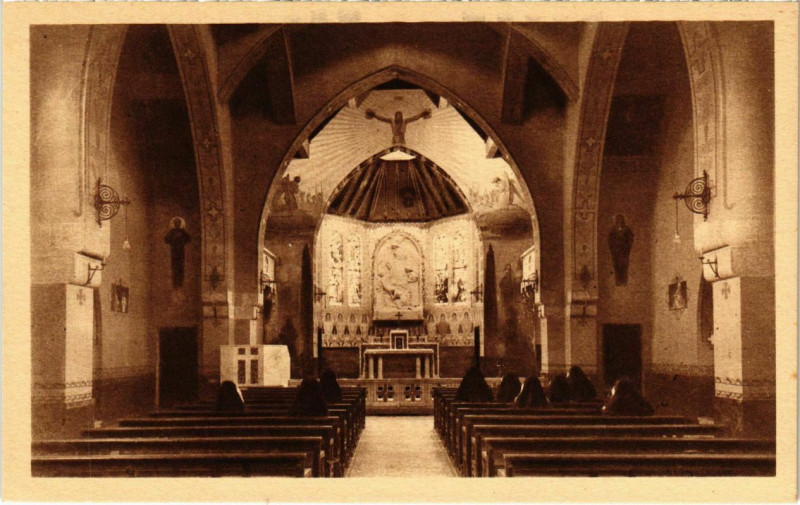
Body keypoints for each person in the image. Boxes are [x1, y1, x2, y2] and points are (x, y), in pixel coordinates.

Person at [364, 109, 431, 145]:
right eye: (397, 116)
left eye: (399, 116)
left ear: (401, 116)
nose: (398, 117)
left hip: (402, 138)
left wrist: (421, 114)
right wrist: (374, 115)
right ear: (395, 116)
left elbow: (414, 118)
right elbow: (382, 118)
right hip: (395, 138)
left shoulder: (405, 121)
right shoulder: (391, 120)